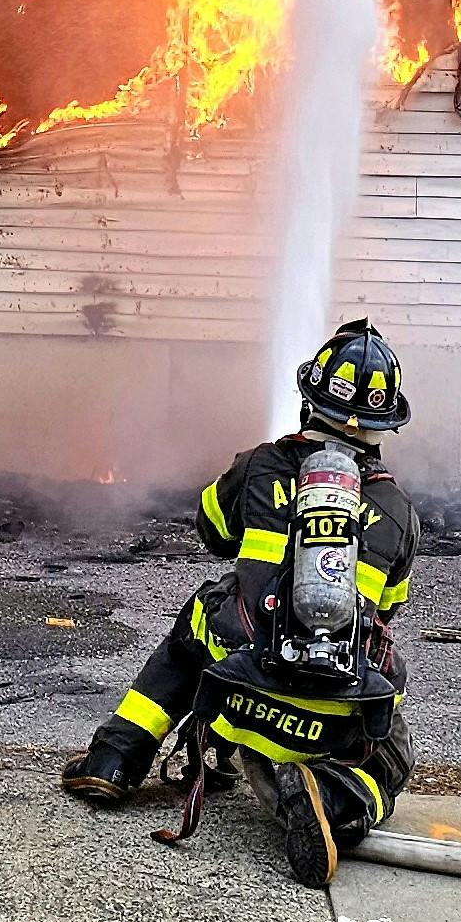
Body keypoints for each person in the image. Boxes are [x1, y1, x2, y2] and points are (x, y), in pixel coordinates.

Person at [61, 316, 419, 888]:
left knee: (197, 622)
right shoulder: (399, 512)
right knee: (395, 748)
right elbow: (386, 612)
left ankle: (116, 757)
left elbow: (212, 530)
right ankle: (333, 795)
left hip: (237, 686)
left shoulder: (259, 465)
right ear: (385, 424)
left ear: (309, 400)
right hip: (328, 719)